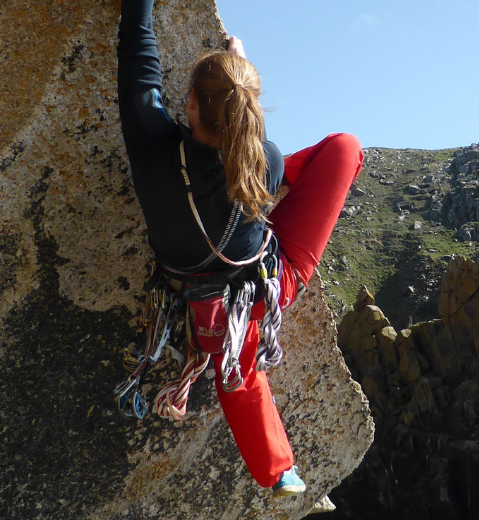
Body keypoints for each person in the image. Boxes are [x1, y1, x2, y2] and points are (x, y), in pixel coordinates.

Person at [116, 0, 363, 499]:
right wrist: (240, 74)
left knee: (239, 368)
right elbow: (246, 138)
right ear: (247, 110)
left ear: (188, 107)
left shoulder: (153, 153)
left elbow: (138, 70)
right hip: (266, 281)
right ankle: (274, 473)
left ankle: (279, 472)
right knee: (345, 147)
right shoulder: (265, 158)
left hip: (215, 301)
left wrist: (137, 8)